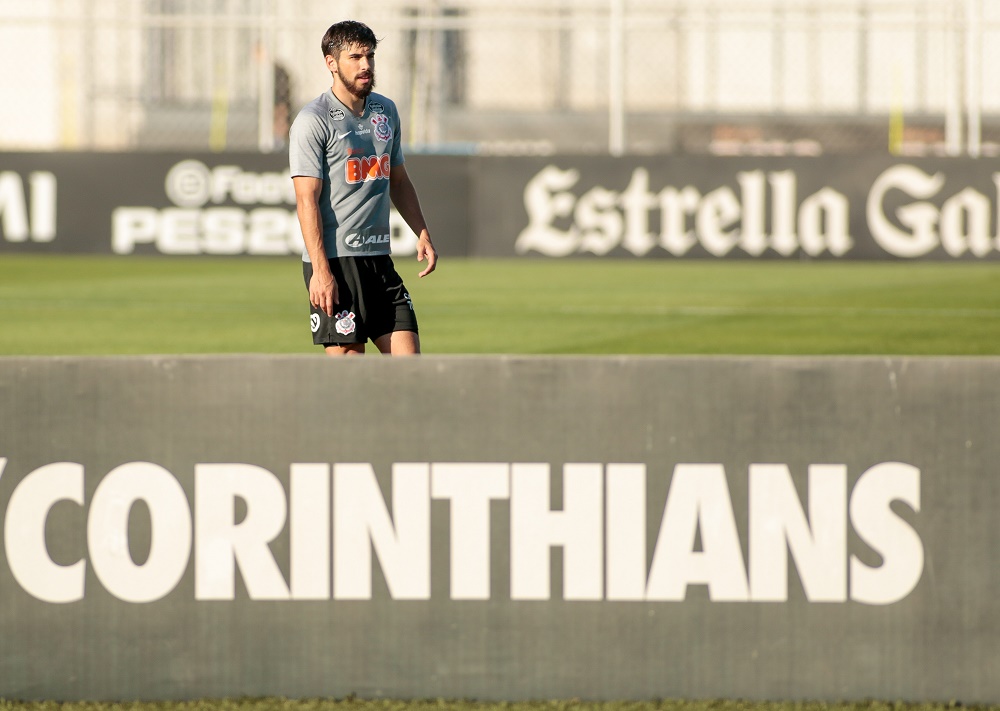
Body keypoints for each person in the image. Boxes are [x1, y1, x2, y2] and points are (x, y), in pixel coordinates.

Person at [289, 20, 437, 356]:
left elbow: (397, 179)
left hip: (379, 261)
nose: (366, 65)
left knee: (411, 368)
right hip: (336, 264)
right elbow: (306, 200)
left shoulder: (386, 110)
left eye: (370, 55)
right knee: (351, 383)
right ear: (331, 63)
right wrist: (321, 272)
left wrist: (422, 232)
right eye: (355, 57)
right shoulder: (313, 120)